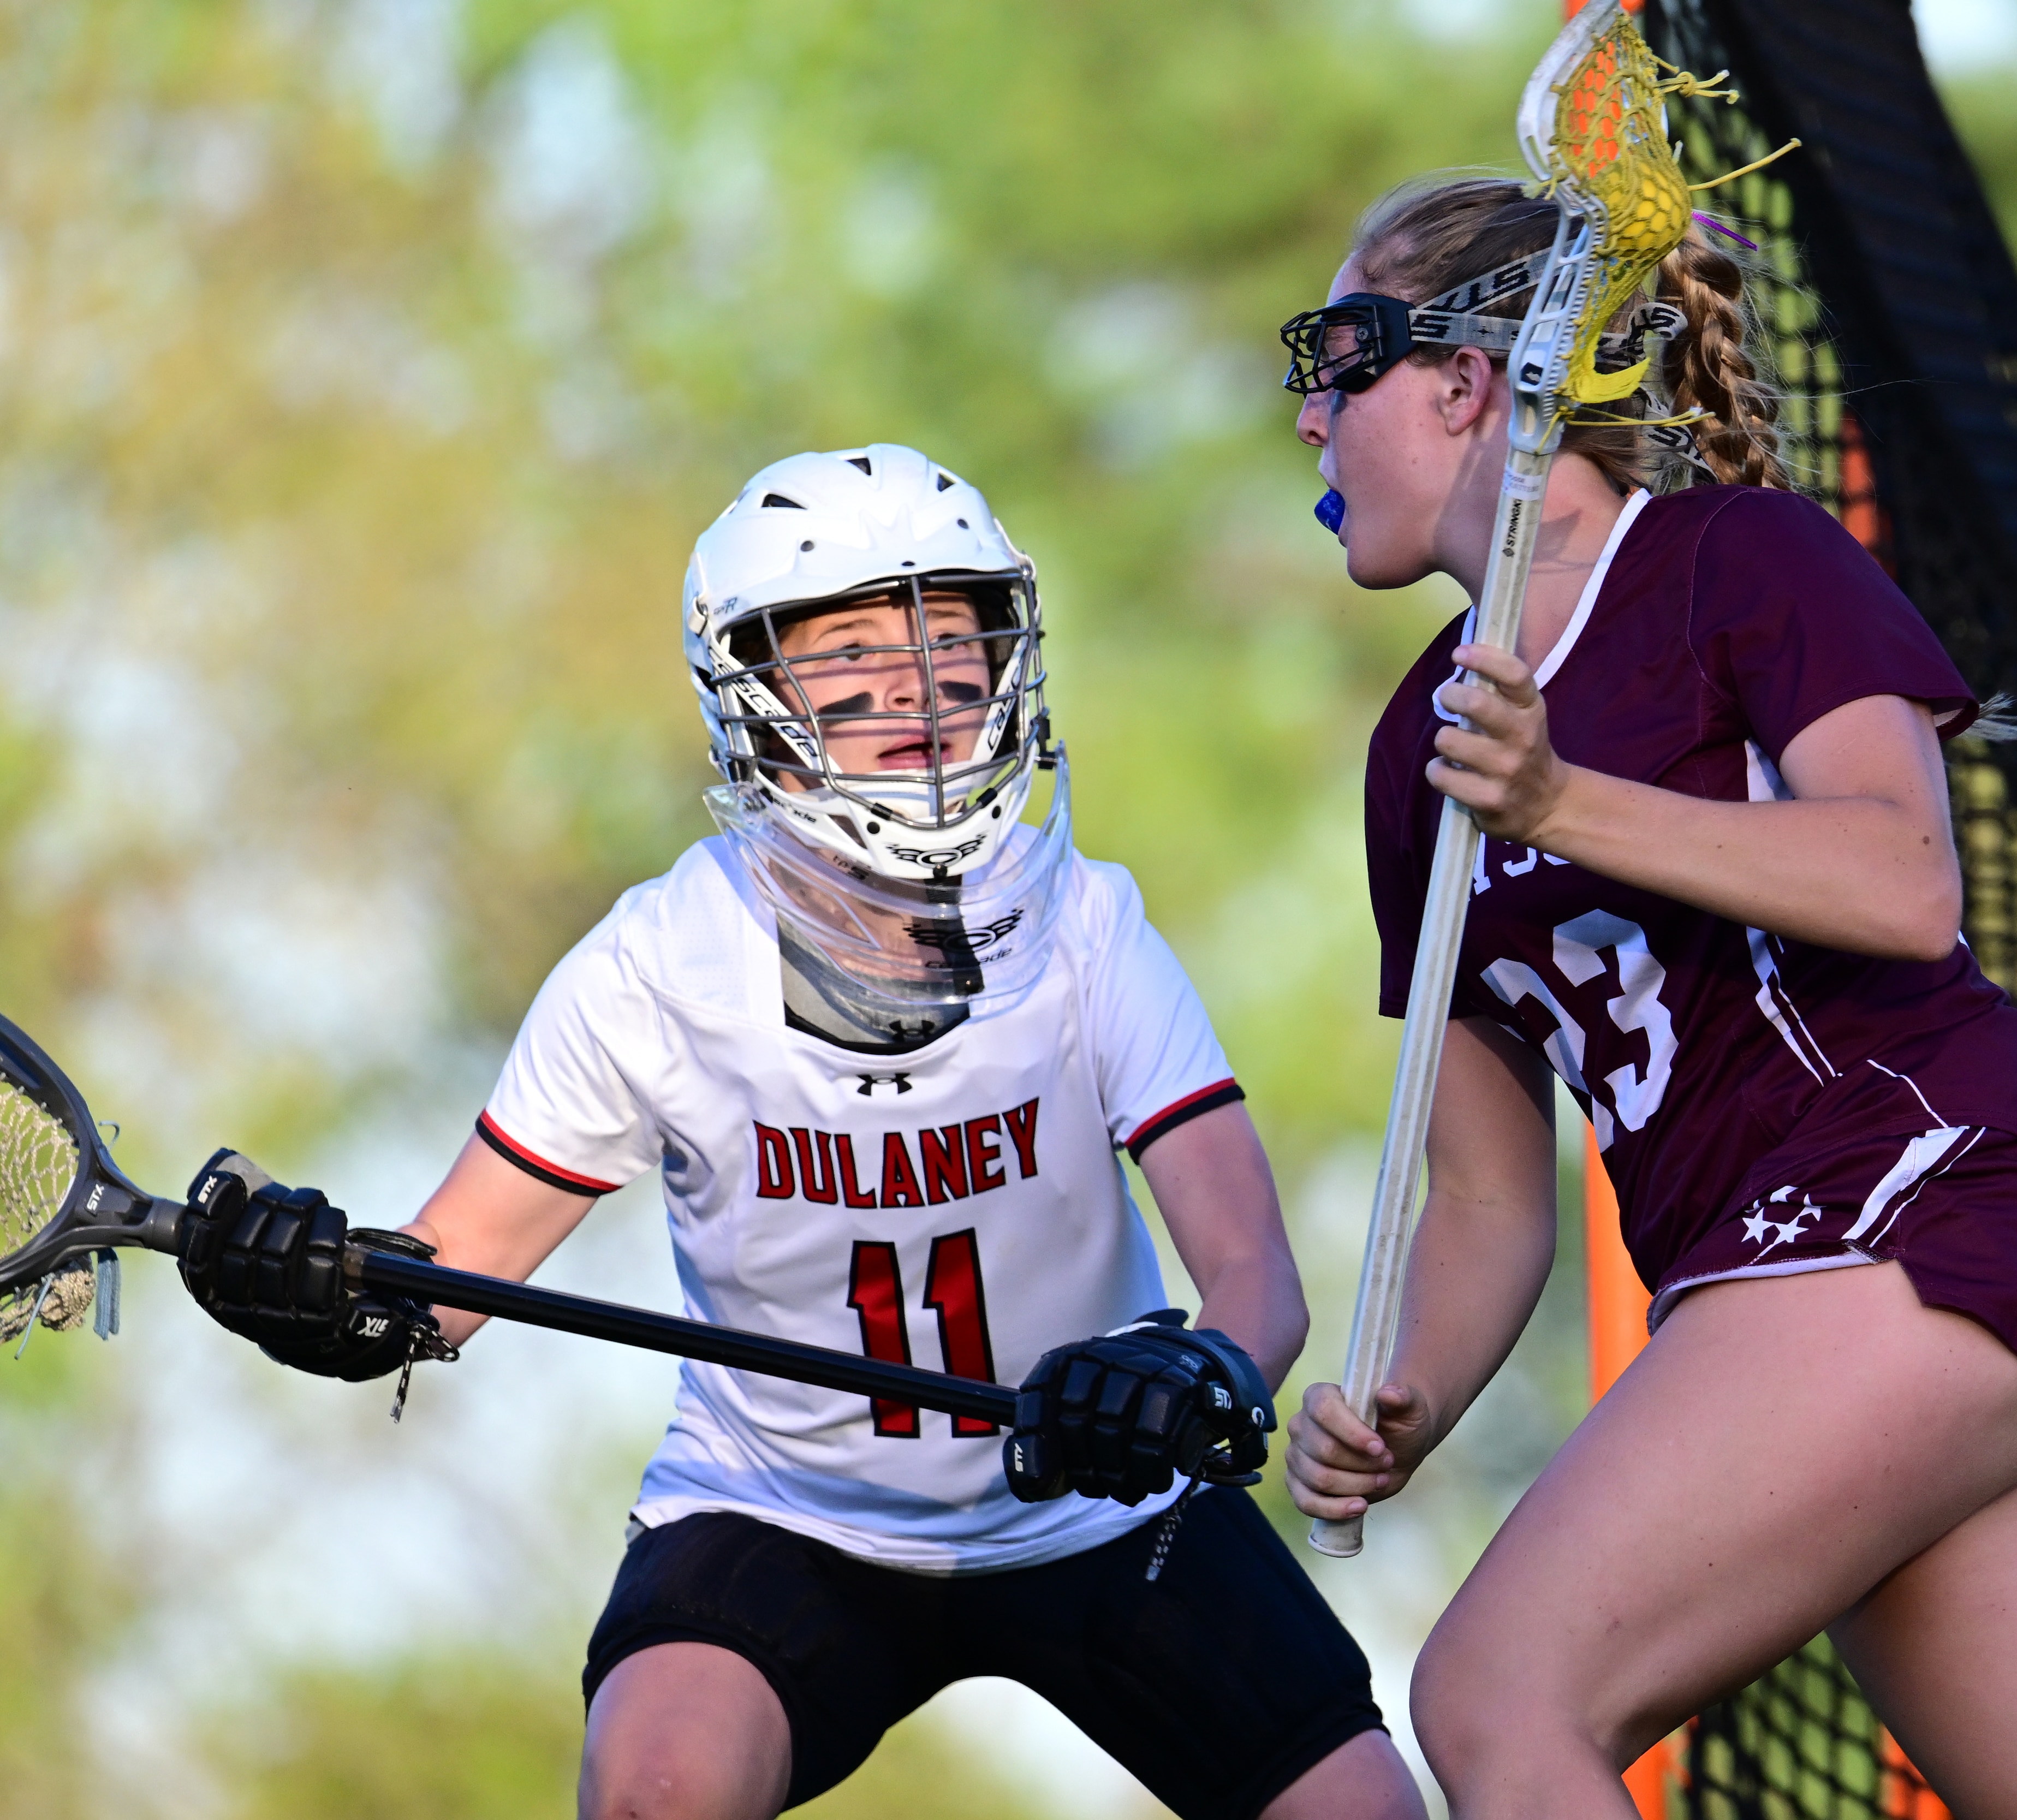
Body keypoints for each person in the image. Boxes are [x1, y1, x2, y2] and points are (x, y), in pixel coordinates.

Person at [170, 445, 1424, 1820]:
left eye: (950, 645)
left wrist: (1184, 1374)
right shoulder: (658, 964)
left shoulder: (1084, 923)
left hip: (1095, 1507)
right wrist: (311, 1291)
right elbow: (444, 1280)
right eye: (851, 660)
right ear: (753, 694)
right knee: (660, 1787)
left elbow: (1258, 1285)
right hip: (789, 1511)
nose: (919, 695)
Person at [1277, 179, 2017, 1819]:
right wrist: (1409, 1401)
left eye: (1341, 362)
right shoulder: (1420, 749)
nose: (1309, 416)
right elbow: (1478, 1191)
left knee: (1498, 1695)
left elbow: (1904, 880)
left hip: (1906, 1206)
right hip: (1796, 1302)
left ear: (1470, 379)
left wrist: (1562, 807)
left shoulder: (1734, 561)